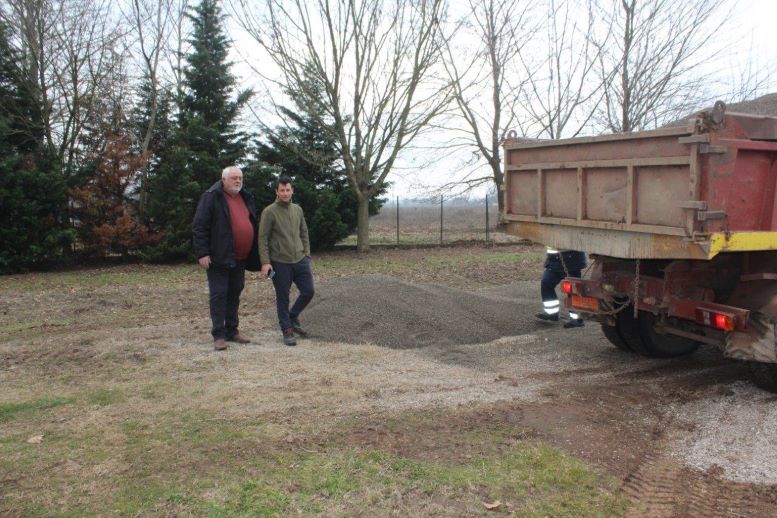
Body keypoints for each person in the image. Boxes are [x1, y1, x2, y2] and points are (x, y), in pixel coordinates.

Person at [192, 166, 260, 350]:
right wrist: (202, 253)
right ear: (224, 179)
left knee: (235, 293)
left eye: (240, 178)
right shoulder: (212, 196)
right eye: (234, 178)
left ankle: (232, 330)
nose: (238, 181)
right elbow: (199, 226)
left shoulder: (245, 196)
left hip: (240, 257)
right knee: (219, 294)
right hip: (218, 257)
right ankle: (218, 335)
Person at [258, 176, 315, 346]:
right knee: (282, 296)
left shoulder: (297, 209)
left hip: (300, 259)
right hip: (279, 262)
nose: (285, 193)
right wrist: (265, 262)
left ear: (292, 191)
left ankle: (292, 316)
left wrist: (307, 253)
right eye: (281, 190)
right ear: (276, 191)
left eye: (288, 190)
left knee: (309, 291)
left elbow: (304, 232)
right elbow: (263, 238)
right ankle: (287, 330)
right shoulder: (269, 211)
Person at [535, 247, 587, 328]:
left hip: (571, 260)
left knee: (572, 289)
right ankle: (551, 313)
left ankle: (576, 319)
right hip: (553, 260)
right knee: (546, 283)